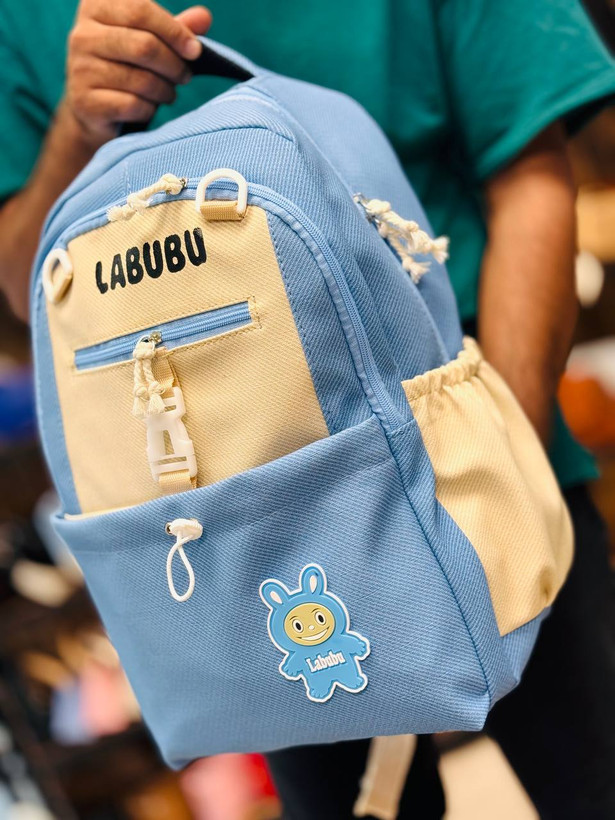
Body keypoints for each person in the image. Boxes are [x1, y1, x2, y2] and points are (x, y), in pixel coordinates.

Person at [1, 1, 614, 817]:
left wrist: (497, 472)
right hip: (243, 525)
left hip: (477, 447)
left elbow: (528, 175)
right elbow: (31, 285)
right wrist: (76, 131)